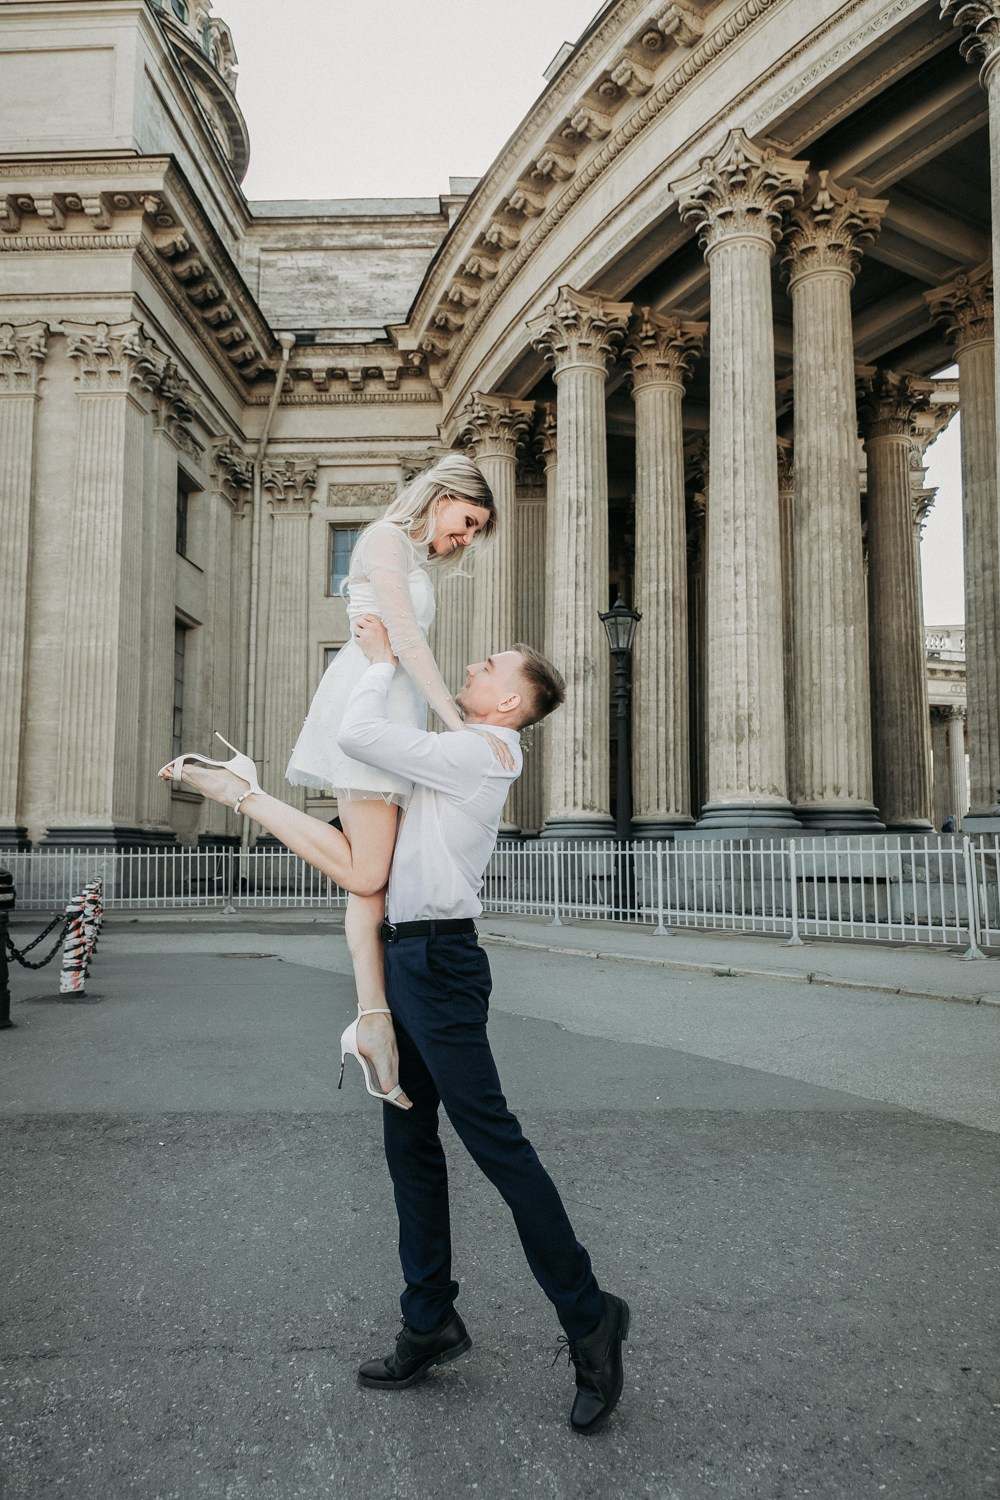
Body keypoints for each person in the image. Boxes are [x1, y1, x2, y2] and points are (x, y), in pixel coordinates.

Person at [159, 621, 629, 1434]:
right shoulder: (455, 750)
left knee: (496, 1146)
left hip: (442, 965)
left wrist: (378, 665)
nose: (471, 667)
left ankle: (590, 1317)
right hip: (409, 958)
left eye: (487, 667)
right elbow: (361, 855)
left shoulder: (487, 750)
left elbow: (359, 734)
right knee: (408, 1144)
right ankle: (429, 1321)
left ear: (509, 701)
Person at [284, 452, 509, 1109]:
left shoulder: (409, 558)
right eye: (466, 521)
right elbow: (406, 642)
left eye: (473, 532)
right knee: (368, 875)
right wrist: (460, 725)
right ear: (441, 497)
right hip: (373, 700)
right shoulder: (385, 539)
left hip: (395, 710)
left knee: (378, 883)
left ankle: (375, 1019)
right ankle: (246, 793)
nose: (465, 538)